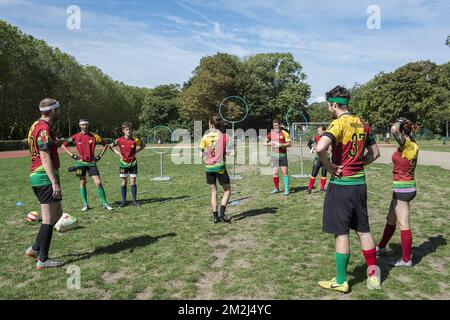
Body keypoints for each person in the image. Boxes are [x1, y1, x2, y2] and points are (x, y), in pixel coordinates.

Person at [315, 86, 381, 293]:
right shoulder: (364, 123)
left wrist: (328, 166)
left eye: (328, 105)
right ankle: (374, 279)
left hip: (342, 185)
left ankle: (341, 281)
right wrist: (359, 165)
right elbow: (375, 153)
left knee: (341, 232)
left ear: (334, 104)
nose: (328, 108)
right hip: (360, 184)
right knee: (364, 230)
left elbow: (320, 147)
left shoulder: (338, 123)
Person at [25, 98, 65, 269]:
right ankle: (43, 259)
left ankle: (35, 249)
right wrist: (54, 182)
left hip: (40, 175)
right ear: (53, 110)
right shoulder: (44, 128)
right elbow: (44, 155)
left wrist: (55, 143)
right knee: (48, 219)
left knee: (57, 214)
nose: (60, 111)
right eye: (58, 108)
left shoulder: (36, 125)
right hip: (44, 176)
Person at [376, 117, 419, 267]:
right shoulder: (411, 144)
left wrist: (399, 122)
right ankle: (381, 247)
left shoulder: (407, 145)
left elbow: (394, 130)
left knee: (403, 223)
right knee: (391, 218)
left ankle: (406, 259)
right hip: (402, 187)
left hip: (403, 189)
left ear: (402, 131)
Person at [61, 119, 113, 211]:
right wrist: (73, 156)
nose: (84, 126)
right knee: (82, 182)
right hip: (80, 164)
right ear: (80, 126)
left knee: (98, 183)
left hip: (92, 164)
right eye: (82, 125)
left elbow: (105, 145)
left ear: (88, 125)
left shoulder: (94, 136)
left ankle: (105, 203)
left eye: (86, 125)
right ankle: (85, 204)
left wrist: (99, 156)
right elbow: (63, 145)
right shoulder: (76, 136)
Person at [199, 115, 236, 223]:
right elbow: (233, 153)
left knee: (214, 192)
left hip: (209, 168)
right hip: (220, 167)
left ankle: (215, 217)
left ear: (210, 124)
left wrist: (209, 153)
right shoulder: (225, 136)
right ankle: (222, 214)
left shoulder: (205, 137)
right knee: (227, 190)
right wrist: (228, 151)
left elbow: (200, 154)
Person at [109, 122, 146, 208]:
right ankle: (123, 202)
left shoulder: (135, 140)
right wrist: (118, 153)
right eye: (127, 130)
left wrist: (136, 151)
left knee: (133, 181)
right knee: (124, 182)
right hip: (123, 164)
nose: (129, 131)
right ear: (123, 131)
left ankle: (134, 202)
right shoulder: (119, 140)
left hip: (133, 163)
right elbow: (110, 146)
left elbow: (143, 145)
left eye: (130, 129)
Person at [264, 119, 292, 195]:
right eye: (274, 125)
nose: (275, 127)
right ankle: (276, 189)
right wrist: (270, 143)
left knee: (284, 172)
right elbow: (264, 142)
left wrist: (281, 145)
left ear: (280, 125)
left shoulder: (284, 133)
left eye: (276, 125)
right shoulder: (271, 133)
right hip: (274, 156)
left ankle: (286, 189)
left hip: (283, 155)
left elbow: (289, 144)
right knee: (275, 173)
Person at [305, 126, 330, 194]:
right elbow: (309, 143)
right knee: (314, 173)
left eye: (319, 130)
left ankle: (322, 188)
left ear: (324, 131)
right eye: (318, 131)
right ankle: (309, 189)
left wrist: (330, 151)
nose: (318, 132)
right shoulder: (316, 137)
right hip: (318, 158)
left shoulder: (328, 137)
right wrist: (312, 149)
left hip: (326, 158)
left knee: (324, 174)